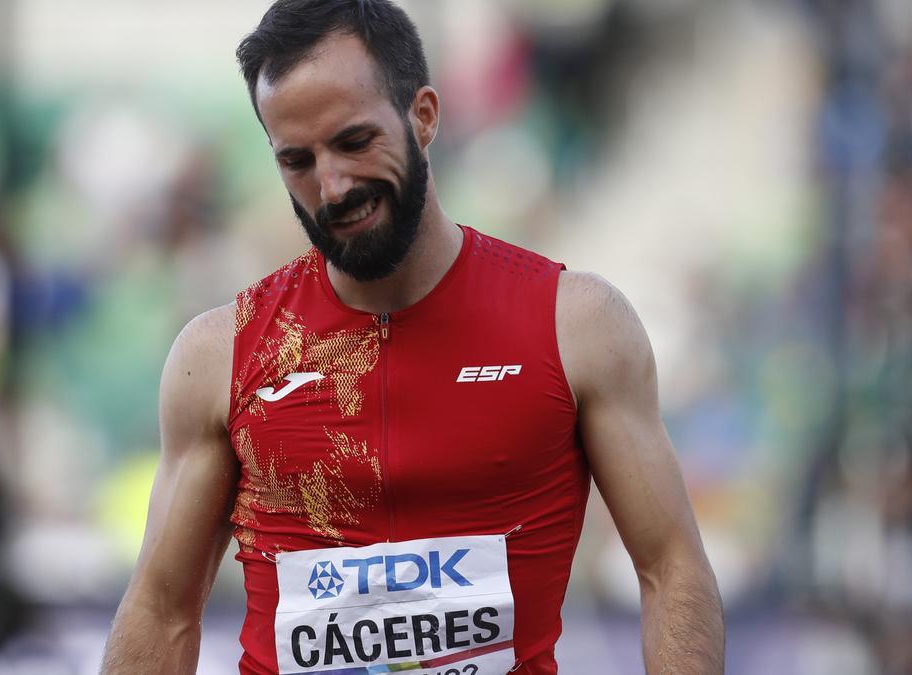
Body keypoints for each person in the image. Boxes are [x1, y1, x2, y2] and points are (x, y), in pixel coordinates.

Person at [99, 1, 724, 673]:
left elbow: (671, 569)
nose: (332, 186)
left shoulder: (577, 325)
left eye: (354, 141)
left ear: (423, 116)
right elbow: (160, 610)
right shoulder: (220, 354)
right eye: (297, 160)